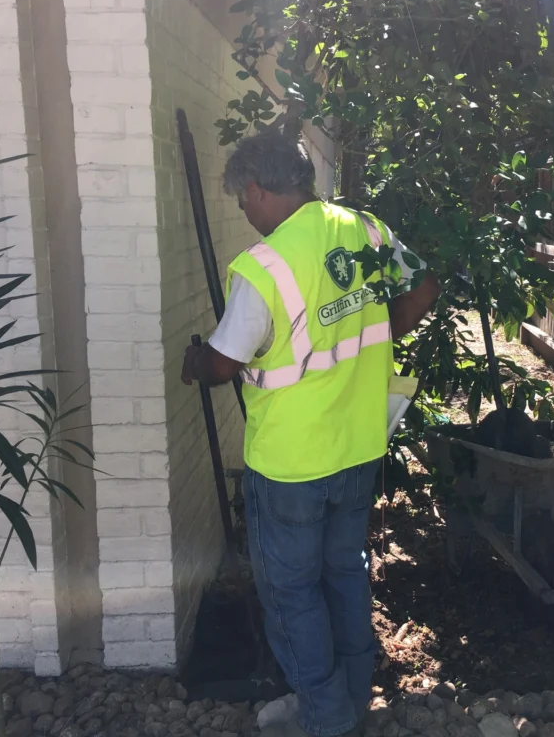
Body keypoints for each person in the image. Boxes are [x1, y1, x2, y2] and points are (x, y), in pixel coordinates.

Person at [180, 131, 440, 737]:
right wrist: (380, 336)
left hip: (292, 463)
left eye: (242, 202)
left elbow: (223, 364)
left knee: (292, 592)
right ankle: (352, 694)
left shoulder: (264, 265)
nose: (245, 215)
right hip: (358, 448)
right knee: (345, 572)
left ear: (257, 189)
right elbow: (423, 287)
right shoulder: (364, 228)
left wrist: (196, 363)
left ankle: (327, 719)